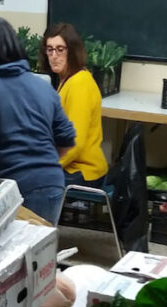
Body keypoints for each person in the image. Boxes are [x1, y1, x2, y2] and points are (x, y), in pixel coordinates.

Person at [0, 16, 76, 224]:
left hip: (3, 190)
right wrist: (39, 163)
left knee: (1, 253)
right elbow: (66, 140)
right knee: (38, 251)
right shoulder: (43, 86)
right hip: (49, 185)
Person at [40, 23, 108, 188]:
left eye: (60, 49)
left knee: (28, 181)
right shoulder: (68, 80)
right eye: (50, 49)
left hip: (83, 170)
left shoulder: (79, 85)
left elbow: (74, 143)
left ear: (72, 51)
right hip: (71, 165)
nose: (54, 56)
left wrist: (44, 166)